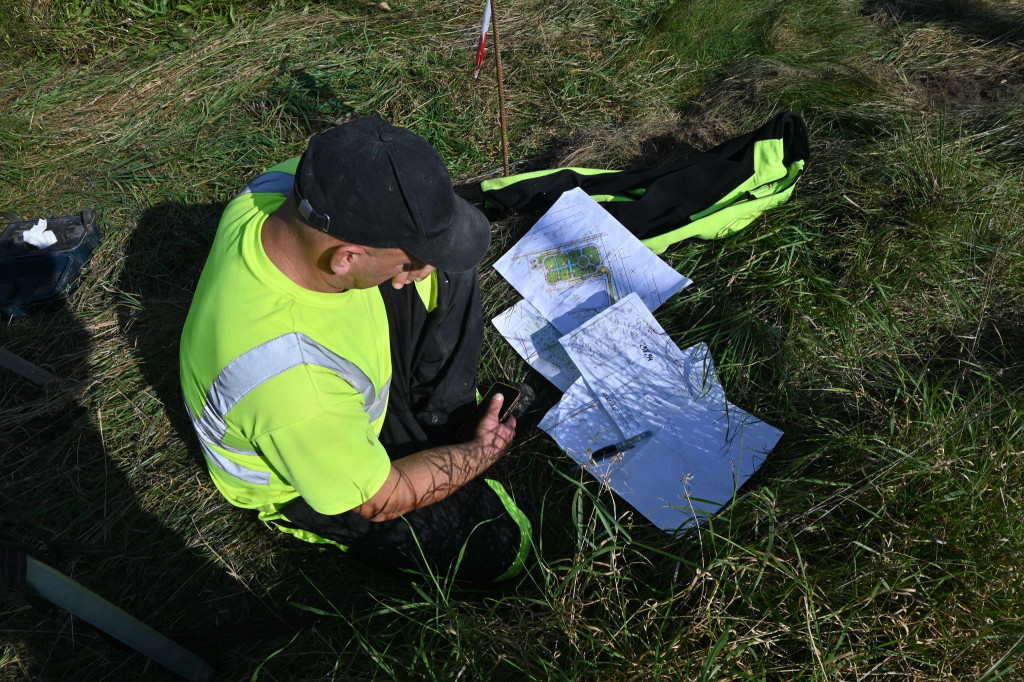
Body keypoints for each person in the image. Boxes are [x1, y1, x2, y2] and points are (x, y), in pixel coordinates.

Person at [179, 118, 531, 582]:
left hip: (337, 372)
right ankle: (450, 436)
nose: (418, 271)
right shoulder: (294, 388)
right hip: (312, 470)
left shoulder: (286, 190)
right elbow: (380, 499)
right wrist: (481, 452)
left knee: (449, 262)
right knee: (500, 544)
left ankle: (441, 414)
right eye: (408, 262)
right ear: (345, 257)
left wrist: (418, 259)